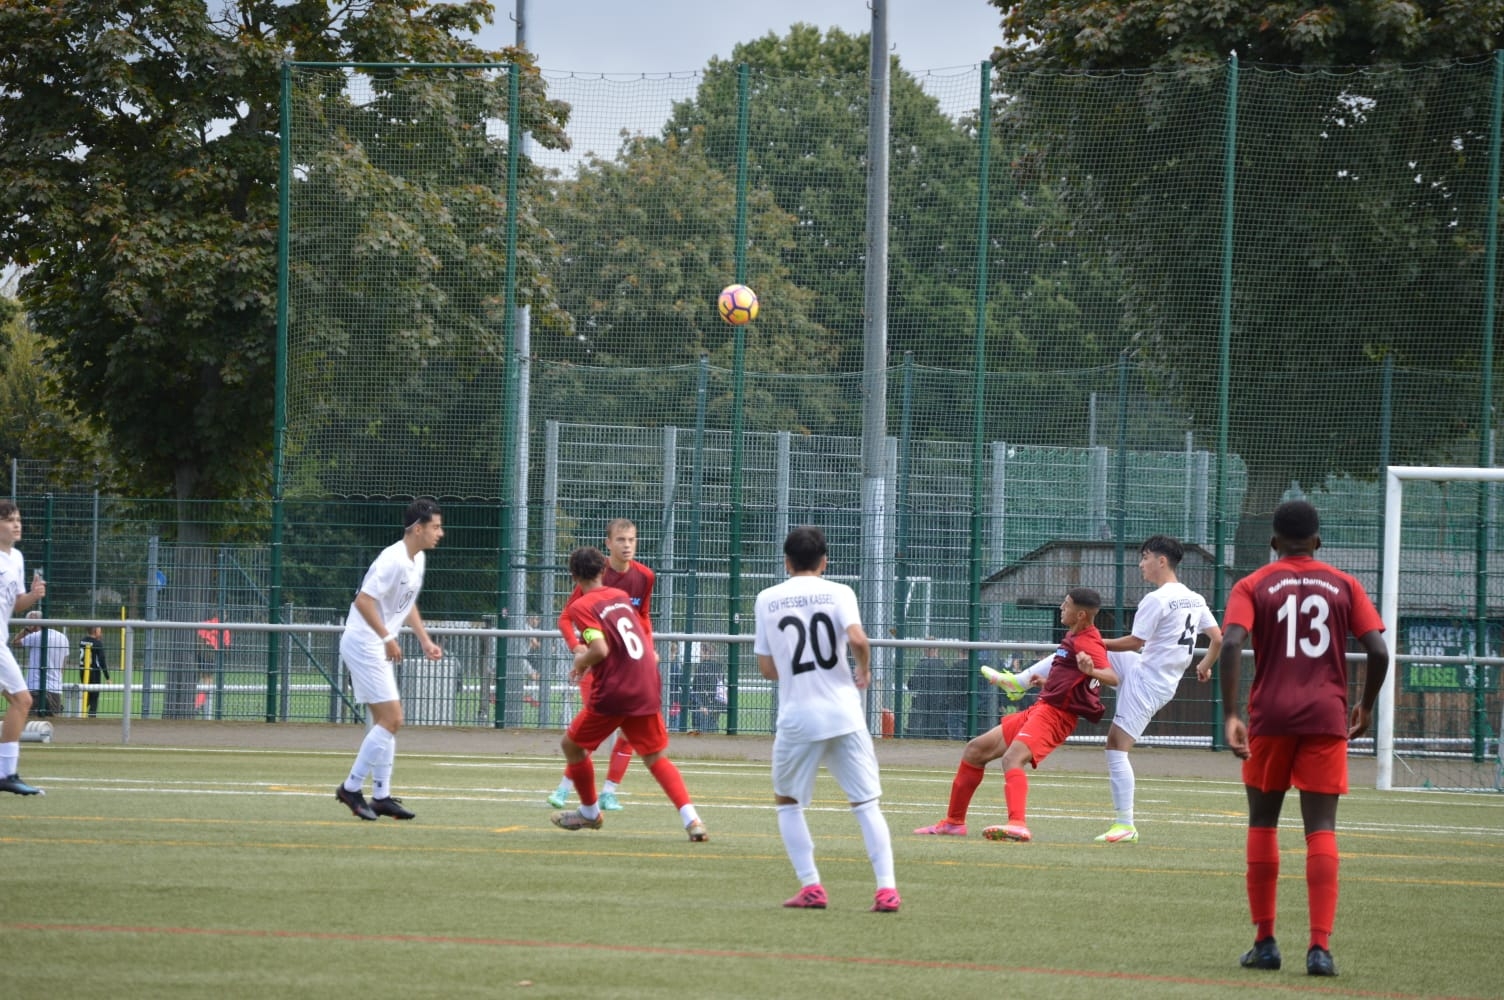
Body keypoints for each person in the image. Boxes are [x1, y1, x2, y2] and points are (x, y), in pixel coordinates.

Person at [1220, 500, 1388, 978]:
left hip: (1270, 717)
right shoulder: (1344, 584)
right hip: (1325, 717)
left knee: (1263, 822)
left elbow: (1230, 642)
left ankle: (1265, 943)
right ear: (1318, 541)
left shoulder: (1253, 584)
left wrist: (1231, 714)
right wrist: (1366, 705)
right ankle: (1319, 949)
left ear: (1273, 542)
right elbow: (1378, 650)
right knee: (1321, 828)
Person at [755, 526, 899, 912]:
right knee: (866, 804)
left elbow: (767, 669)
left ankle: (811, 886)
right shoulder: (840, 592)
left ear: (786, 562)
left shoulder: (767, 598)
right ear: (824, 562)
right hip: (844, 712)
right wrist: (863, 669)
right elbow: (858, 639)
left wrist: (794, 669)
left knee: (788, 802)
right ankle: (886, 889)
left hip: (799, 716)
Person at [914, 587, 1112, 842]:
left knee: (1012, 758)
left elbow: (1111, 676)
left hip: (1055, 716)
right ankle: (953, 823)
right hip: (1042, 708)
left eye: (1066, 604)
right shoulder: (1073, 636)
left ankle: (1017, 824)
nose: (1061, 607)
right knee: (975, 750)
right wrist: (1048, 684)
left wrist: (1092, 670)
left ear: (1081, 614)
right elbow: (1072, 679)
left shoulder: (1088, 641)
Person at [549, 545, 707, 842]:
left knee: (572, 746)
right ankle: (692, 820)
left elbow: (600, 649)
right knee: (655, 758)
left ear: (573, 576)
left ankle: (590, 812)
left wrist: (581, 661)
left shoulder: (581, 606)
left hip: (616, 689)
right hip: (646, 681)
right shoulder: (620, 596)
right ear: (603, 570)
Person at [1089, 535, 1223, 844]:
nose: (1141, 564)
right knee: (1083, 651)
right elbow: (1218, 638)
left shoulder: (1157, 599)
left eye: (1145, 557)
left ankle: (1125, 825)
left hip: (1147, 682)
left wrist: (1097, 640)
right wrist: (1205, 665)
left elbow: (1135, 641)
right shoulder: (1194, 598)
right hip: (1150, 674)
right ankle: (1023, 680)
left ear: (1161, 561)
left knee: (1116, 747)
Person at [333, 498, 445, 822]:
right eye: (436, 527)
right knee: (393, 719)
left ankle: (381, 796)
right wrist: (387, 637)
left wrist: (424, 640)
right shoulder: (392, 558)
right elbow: (363, 600)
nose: (440, 533)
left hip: (374, 644)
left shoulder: (417, 559)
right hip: (364, 643)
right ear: (418, 529)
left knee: (387, 721)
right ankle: (351, 788)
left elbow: (406, 603)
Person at [549, 518, 652, 812]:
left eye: (631, 539)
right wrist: (578, 647)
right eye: (621, 540)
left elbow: (643, 617)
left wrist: (648, 648)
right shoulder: (595, 574)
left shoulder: (645, 576)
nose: (627, 545)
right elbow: (566, 616)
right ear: (608, 544)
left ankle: (609, 792)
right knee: (590, 729)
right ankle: (565, 788)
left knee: (629, 733)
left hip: (630, 667)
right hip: (599, 666)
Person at [0, 501, 48, 794]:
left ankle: (6, 774)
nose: (16, 524)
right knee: (22, 700)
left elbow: (16, 604)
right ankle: (6, 773)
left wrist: (33, 595)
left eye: (18, 519)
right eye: (9, 520)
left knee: (21, 701)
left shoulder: (16, 557)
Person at [14, 611, 69, 717]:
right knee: (52, 723)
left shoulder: (35, 636)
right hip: (55, 689)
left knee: (31, 723)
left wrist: (27, 629)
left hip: (35, 688)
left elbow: (15, 642)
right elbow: (64, 664)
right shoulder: (63, 637)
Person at [78, 625, 111, 717]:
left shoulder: (82, 641)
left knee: (87, 694)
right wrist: (107, 677)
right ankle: (92, 717)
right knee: (94, 696)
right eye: (100, 631)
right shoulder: (97, 643)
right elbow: (102, 661)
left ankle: (79, 713)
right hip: (94, 672)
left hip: (83, 671)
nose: (101, 633)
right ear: (95, 631)